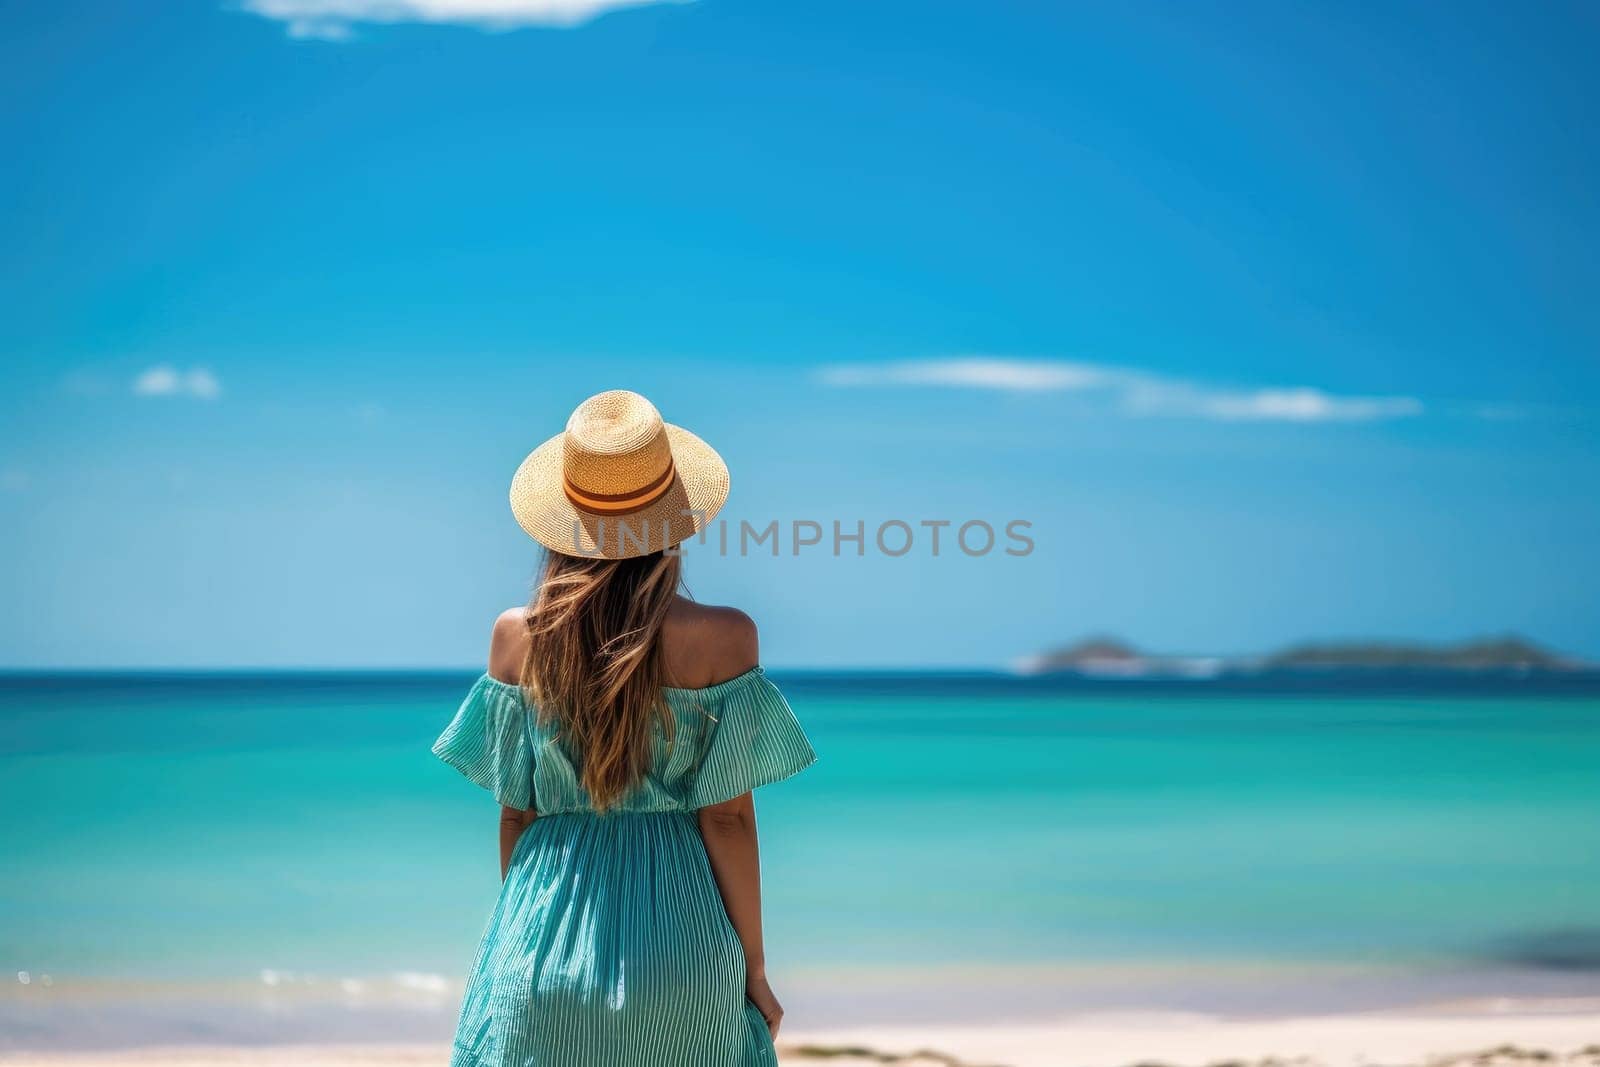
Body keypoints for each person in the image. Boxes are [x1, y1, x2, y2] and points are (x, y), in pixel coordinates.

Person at [433, 389, 816, 1067]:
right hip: (683, 946)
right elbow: (727, 819)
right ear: (674, 521)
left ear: (560, 522)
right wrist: (753, 967)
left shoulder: (516, 638)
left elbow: (515, 818)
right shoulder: (725, 637)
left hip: (542, 942)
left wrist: (522, 937)